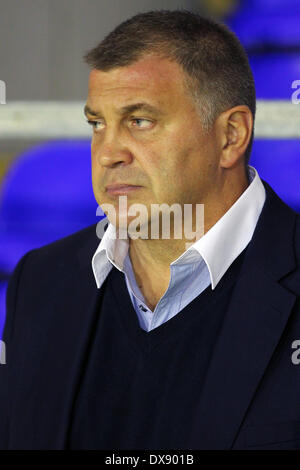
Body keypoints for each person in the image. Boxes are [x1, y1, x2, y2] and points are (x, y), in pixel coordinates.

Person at [0, 9, 300, 451]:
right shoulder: (42, 280)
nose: (107, 153)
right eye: (97, 124)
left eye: (139, 121)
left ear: (231, 136)